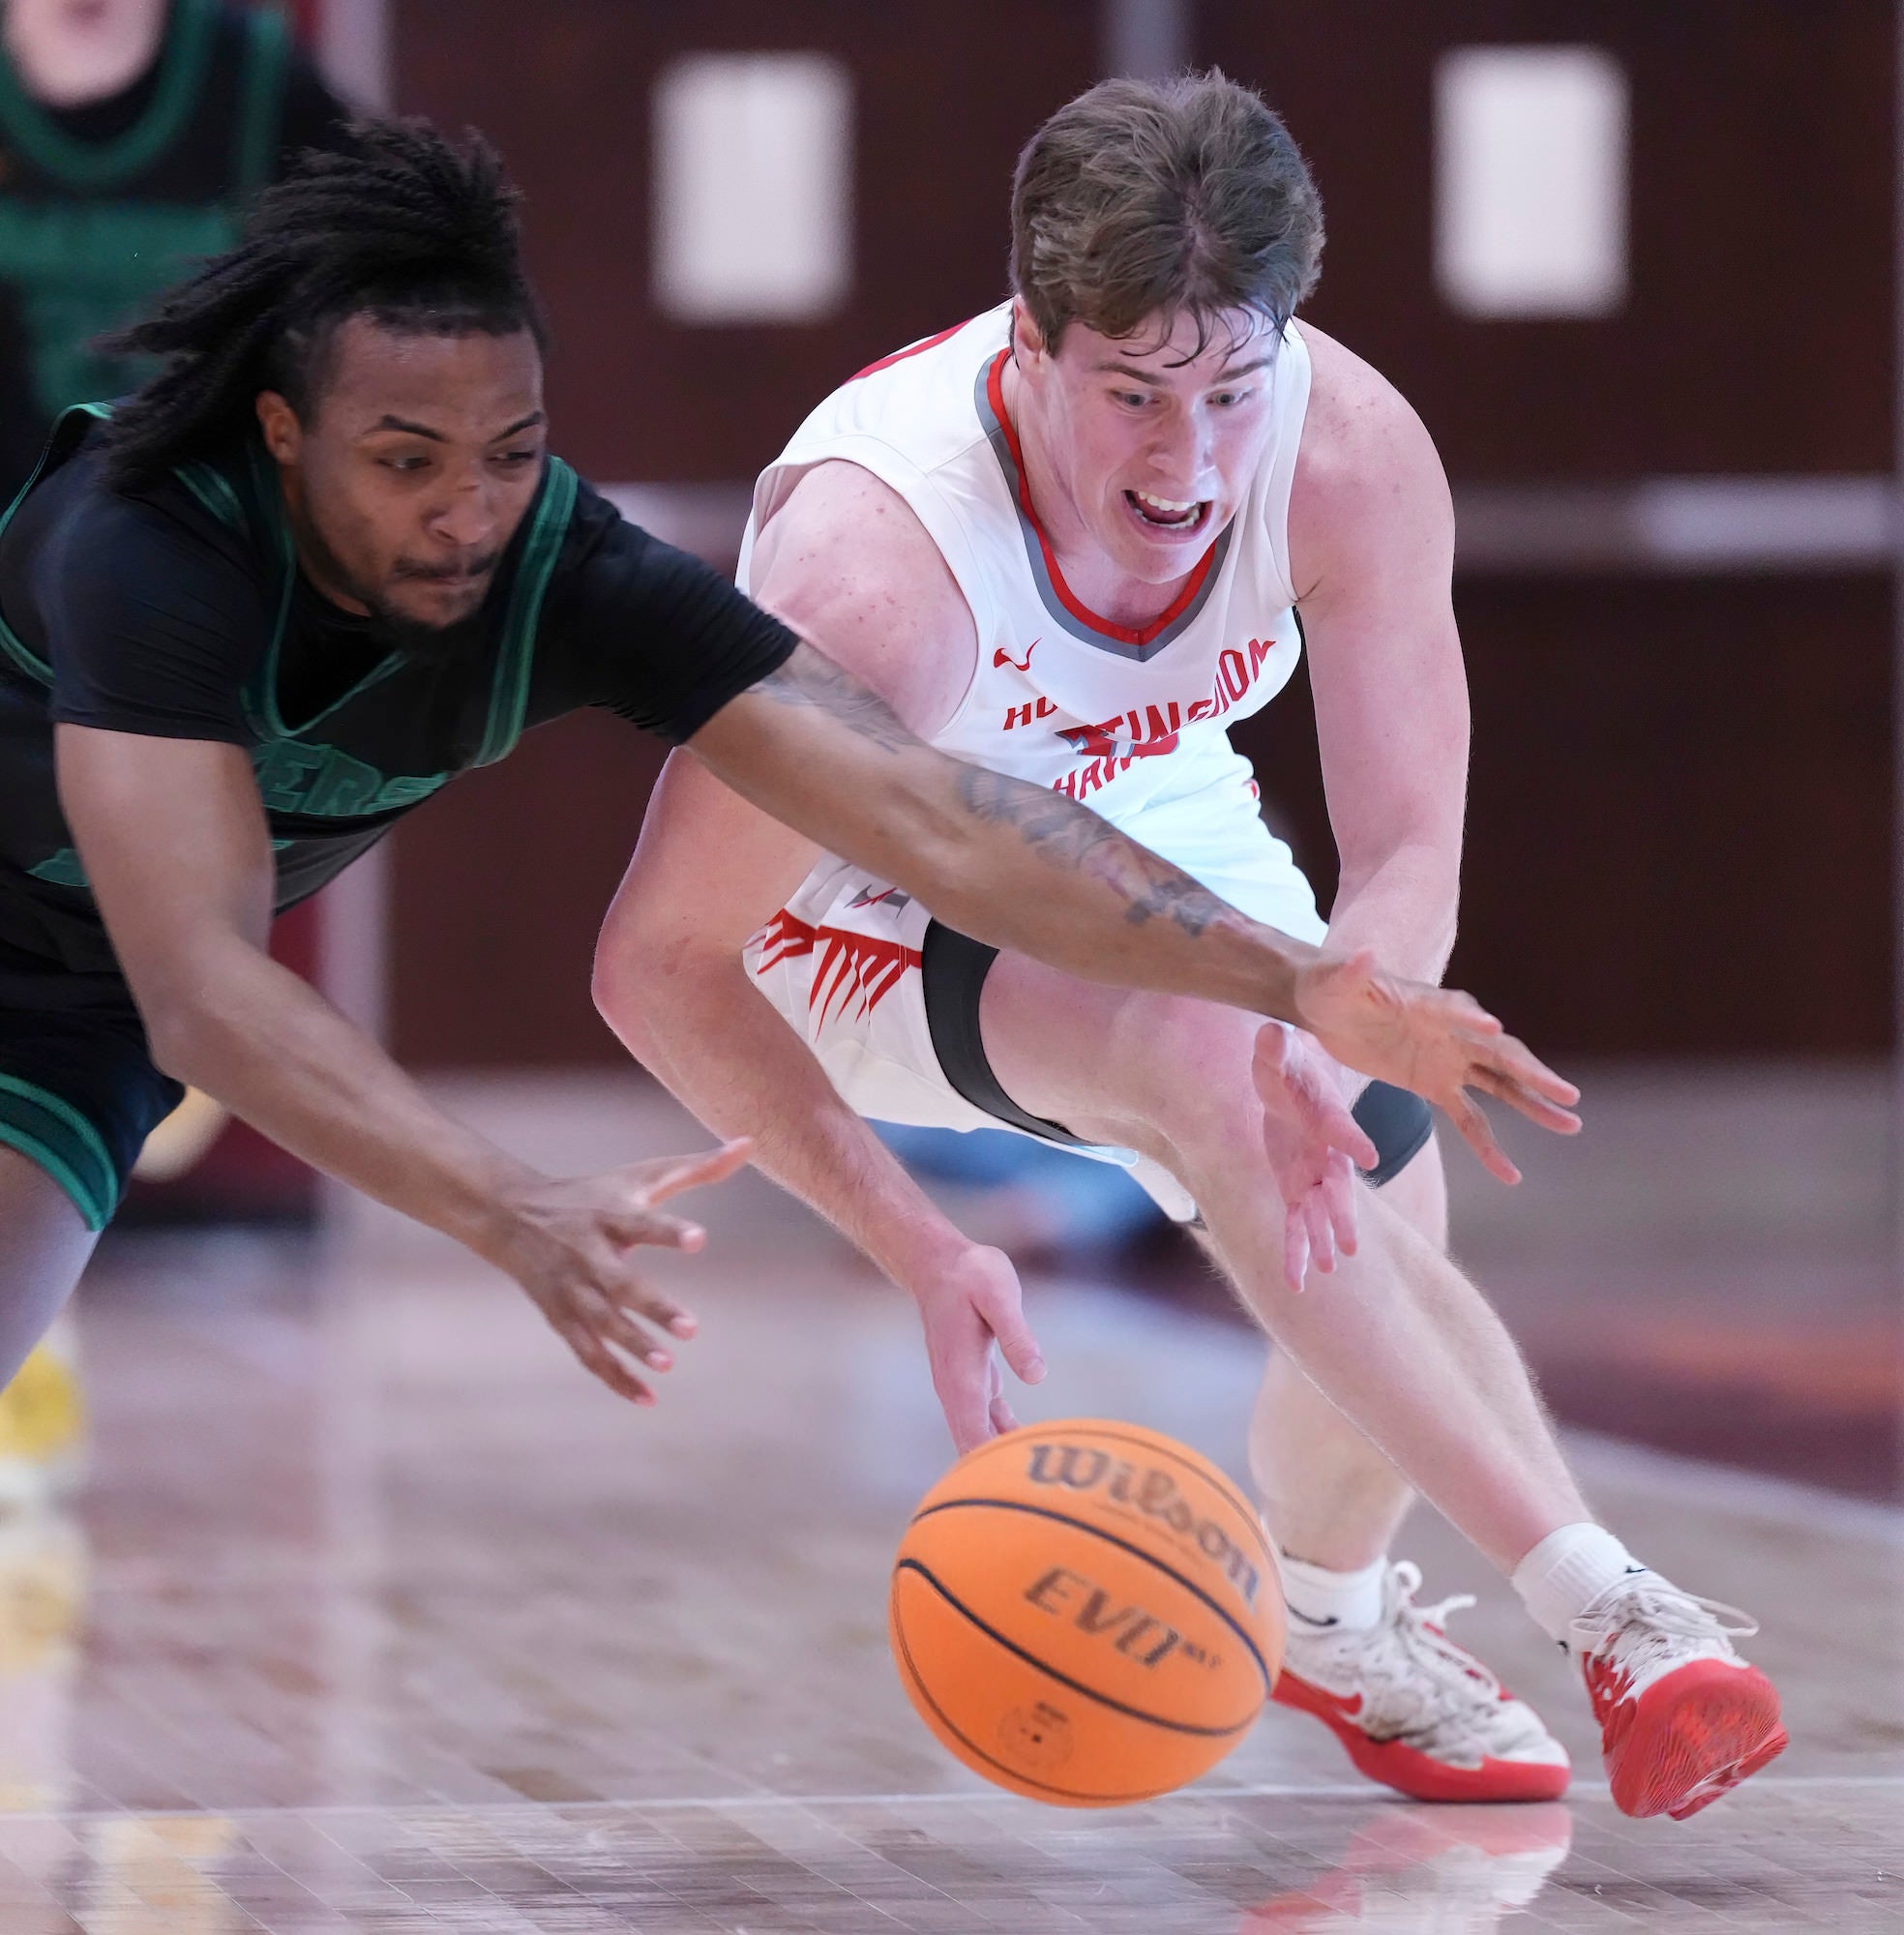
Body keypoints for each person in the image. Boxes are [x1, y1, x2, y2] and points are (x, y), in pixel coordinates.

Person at [593, 73, 1785, 1822]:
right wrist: (911, 1239)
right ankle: (1610, 1610)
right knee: (1206, 1061)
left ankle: (1329, 1623)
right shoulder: (872, 581)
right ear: (1030, 337)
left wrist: (1343, 1016)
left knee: (1369, 1190)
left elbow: (1405, 851)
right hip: (850, 902)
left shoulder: (1354, 451)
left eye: (1231, 391)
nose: (1189, 459)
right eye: (1133, 395)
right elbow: (655, 959)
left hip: (1143, 792)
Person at [0, 125, 1567, 1437]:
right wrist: (505, 1205)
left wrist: (1300, 984)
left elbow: (929, 818)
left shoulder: (561, 572)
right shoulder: (146, 549)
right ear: (284, 438)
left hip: (68, 1028)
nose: (467, 512)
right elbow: (202, 984)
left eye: (509, 451)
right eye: (404, 458)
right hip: (140, 981)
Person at [0, 0, 352, 1503]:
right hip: (13, 597)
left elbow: (381, 315)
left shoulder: (265, 91)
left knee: (122, 996)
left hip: (187, 618)